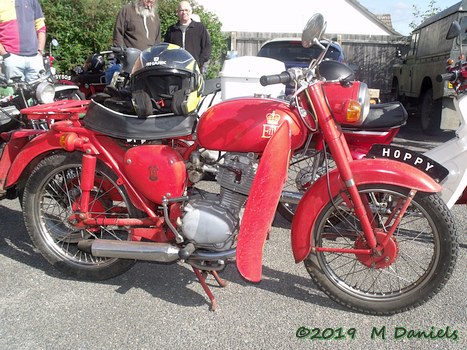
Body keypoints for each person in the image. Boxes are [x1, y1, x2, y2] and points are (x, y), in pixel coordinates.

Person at [0, 0, 46, 82]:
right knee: (14, 93)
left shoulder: (32, 1)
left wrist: (40, 51)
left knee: (40, 92)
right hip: (11, 58)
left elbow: (41, 27)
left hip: (34, 58)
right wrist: (4, 54)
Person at [164, 1, 211, 72]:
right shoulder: (172, 30)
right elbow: (166, 49)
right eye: (182, 10)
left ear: (191, 11)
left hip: (195, 70)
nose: (184, 12)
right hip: (176, 70)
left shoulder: (199, 28)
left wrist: (198, 63)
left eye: (186, 10)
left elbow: (207, 48)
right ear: (178, 12)